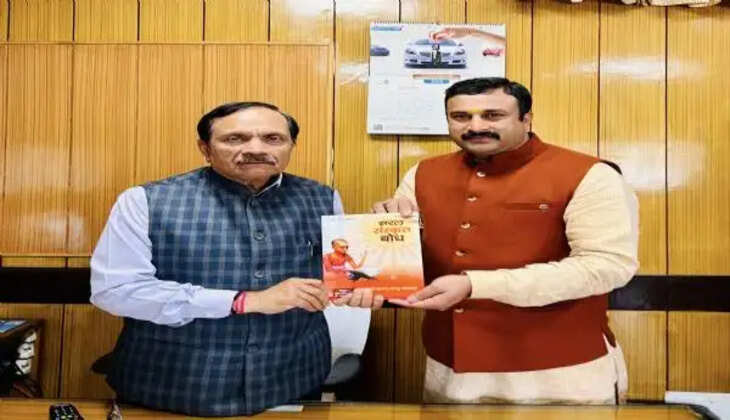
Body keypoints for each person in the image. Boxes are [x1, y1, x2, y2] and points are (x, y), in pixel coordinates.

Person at [366, 77, 639, 404]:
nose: (475, 126)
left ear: (526, 119)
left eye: (493, 115)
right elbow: (408, 256)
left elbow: (607, 267)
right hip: (451, 372)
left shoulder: (590, 174)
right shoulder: (421, 174)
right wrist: (382, 250)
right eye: (460, 117)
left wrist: (475, 285)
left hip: (562, 375)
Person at [90, 102, 344, 416]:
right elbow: (114, 291)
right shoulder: (144, 201)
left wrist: (363, 290)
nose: (256, 149)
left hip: (293, 382)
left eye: (273, 138)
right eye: (235, 139)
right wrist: (243, 301)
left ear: (292, 145)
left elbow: (341, 277)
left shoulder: (324, 198)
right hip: (169, 388)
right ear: (205, 149)